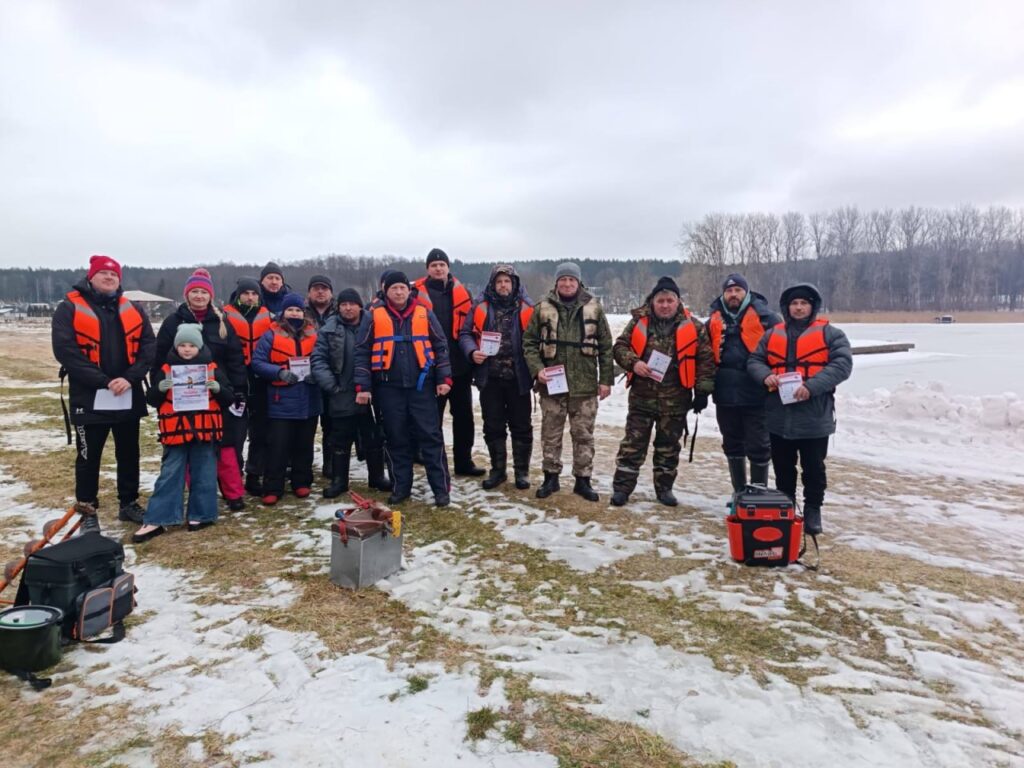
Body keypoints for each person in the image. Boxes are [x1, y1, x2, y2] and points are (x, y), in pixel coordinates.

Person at [51, 254, 156, 530]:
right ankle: (87, 510)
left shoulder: (133, 309)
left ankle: (128, 503)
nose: (109, 278)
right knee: (88, 456)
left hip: (127, 393)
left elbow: (148, 348)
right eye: (103, 274)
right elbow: (65, 351)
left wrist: (129, 378)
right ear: (91, 276)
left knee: (129, 452)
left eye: (114, 275)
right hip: (90, 396)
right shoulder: (68, 309)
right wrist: (103, 380)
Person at [747, 283, 853, 535]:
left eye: (803, 303)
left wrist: (813, 386)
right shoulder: (773, 334)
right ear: (787, 307)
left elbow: (842, 364)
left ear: (812, 306)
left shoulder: (831, 334)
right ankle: (786, 506)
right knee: (783, 466)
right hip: (779, 415)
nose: (798, 307)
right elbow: (755, 360)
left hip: (814, 415)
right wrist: (766, 376)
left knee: (814, 467)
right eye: (794, 303)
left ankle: (813, 509)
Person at [610, 277, 715, 507]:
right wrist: (634, 363)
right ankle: (622, 488)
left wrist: (703, 392)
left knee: (668, 448)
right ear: (653, 301)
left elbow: (705, 361)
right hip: (641, 398)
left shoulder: (695, 326)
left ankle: (664, 489)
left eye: (670, 300)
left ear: (678, 301)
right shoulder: (638, 322)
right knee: (632, 446)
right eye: (660, 300)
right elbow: (619, 347)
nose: (665, 305)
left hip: (676, 400)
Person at [354, 271, 453, 507]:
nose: (399, 292)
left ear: (409, 290)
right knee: (396, 438)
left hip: (422, 386)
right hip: (388, 388)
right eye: (394, 288)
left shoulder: (424, 312)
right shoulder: (373, 315)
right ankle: (401, 487)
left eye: (402, 288)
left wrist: (444, 378)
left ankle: (441, 489)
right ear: (386, 291)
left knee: (430, 436)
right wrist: (363, 386)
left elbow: (441, 346)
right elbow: (362, 351)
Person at [152, 269, 248, 510]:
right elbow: (159, 357)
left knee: (225, 445)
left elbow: (236, 356)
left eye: (203, 292)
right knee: (190, 442)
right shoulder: (173, 322)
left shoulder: (223, 321)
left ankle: (233, 493)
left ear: (210, 295)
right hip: (183, 394)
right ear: (187, 295)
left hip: (217, 390)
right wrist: (159, 387)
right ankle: (197, 494)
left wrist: (238, 389)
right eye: (194, 291)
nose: (199, 296)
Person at [132, 324, 234, 543]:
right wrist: (160, 389)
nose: (187, 349)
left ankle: (203, 515)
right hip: (175, 431)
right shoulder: (166, 369)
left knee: (205, 473)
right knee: (170, 474)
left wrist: (218, 389)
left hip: (205, 431)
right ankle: (159, 518)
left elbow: (228, 398)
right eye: (182, 345)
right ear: (176, 347)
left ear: (200, 346)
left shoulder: (212, 369)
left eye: (191, 345)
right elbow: (152, 399)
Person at [522, 262, 613, 501]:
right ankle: (550, 478)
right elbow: (529, 343)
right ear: (556, 282)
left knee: (583, 435)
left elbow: (605, 347)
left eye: (571, 279)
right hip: (552, 383)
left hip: (585, 385)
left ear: (578, 282)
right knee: (551, 433)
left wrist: (605, 380)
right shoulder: (542, 308)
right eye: (563, 279)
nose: (567, 283)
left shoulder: (594, 308)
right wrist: (537, 370)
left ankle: (583, 480)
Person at [458, 264, 535, 490]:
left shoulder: (528, 307)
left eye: (507, 281)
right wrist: (472, 351)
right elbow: (464, 334)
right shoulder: (480, 306)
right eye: (499, 281)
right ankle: (498, 471)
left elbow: (539, 339)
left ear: (514, 284)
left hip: (518, 378)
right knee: (493, 426)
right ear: (493, 284)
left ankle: (522, 473)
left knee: (522, 427)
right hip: (489, 379)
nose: (503, 285)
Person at [311, 288, 392, 497]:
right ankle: (339, 481)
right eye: (344, 304)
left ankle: (376, 477)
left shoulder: (373, 325)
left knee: (373, 437)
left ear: (359, 305)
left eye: (352, 304)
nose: (348, 308)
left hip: (371, 393)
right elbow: (318, 359)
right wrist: (332, 386)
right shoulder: (328, 330)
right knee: (340, 438)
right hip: (342, 392)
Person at [412, 248, 483, 476]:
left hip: (459, 368)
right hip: (429, 367)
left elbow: (472, 329)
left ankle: (464, 462)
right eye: (434, 265)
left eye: (442, 264)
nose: (438, 268)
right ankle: (435, 462)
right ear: (427, 269)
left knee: (464, 418)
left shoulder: (463, 293)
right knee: (432, 420)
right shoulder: (415, 295)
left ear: (448, 268)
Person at [707, 273, 780, 491]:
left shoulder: (768, 319)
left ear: (746, 292)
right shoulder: (712, 321)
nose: (733, 294)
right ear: (723, 294)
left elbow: (781, 353)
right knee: (732, 444)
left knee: (759, 445)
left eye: (738, 290)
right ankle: (739, 494)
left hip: (757, 394)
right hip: (725, 394)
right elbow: (703, 356)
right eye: (729, 291)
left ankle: (757, 494)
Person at [251, 293, 322, 504]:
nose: (294, 313)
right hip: (281, 400)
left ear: (304, 313)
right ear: (283, 312)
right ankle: (273, 486)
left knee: (304, 444)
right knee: (278, 446)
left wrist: (315, 373)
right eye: (290, 310)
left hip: (309, 398)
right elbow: (258, 362)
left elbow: (322, 358)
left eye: (298, 310)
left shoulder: (313, 334)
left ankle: (301, 482)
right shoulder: (271, 335)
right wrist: (278, 372)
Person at [222, 277, 274, 496]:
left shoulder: (268, 317)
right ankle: (234, 477)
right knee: (236, 433)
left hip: (261, 380)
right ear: (239, 295)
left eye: (254, 294)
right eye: (246, 293)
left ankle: (255, 475)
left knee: (260, 432)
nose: (250, 297)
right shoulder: (224, 316)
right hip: (235, 379)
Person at [305, 274, 336, 476]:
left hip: (332, 376)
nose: (320, 291)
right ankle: (302, 467)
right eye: (316, 288)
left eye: (324, 288)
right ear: (309, 292)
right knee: (306, 426)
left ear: (331, 292)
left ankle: (331, 465)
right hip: (305, 377)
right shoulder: (300, 313)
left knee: (331, 424)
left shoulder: (339, 312)